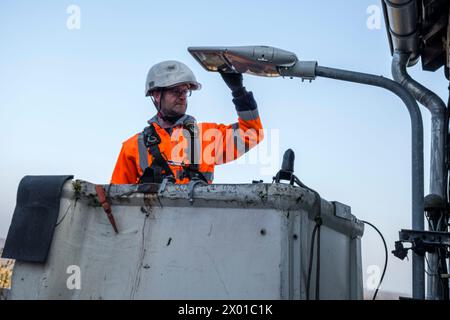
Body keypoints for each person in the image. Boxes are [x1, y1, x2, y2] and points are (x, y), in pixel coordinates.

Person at [111, 60, 264, 184]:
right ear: (156, 95)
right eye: (175, 91)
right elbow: (117, 200)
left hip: (196, 221)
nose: (183, 96)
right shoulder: (133, 146)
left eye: (185, 91)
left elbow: (252, 133)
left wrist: (239, 92)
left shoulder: (207, 137)